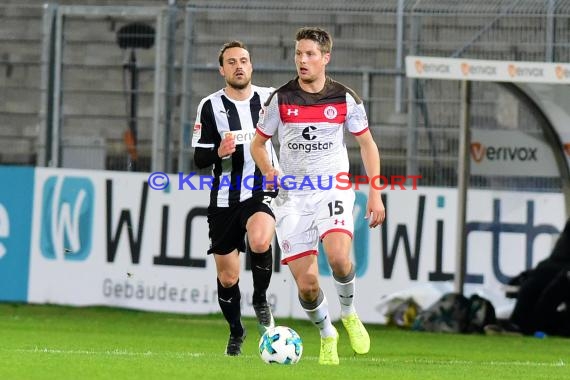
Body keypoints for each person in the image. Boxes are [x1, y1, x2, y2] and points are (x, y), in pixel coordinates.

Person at [250, 27, 385, 365]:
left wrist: (375, 194)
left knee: (339, 258)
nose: (302, 60)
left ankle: (349, 313)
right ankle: (328, 334)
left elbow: (367, 144)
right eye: (298, 54)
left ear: (326, 57)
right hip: (291, 197)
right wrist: (268, 169)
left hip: (332, 187)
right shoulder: (280, 99)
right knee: (308, 286)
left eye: (310, 54)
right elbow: (257, 143)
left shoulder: (345, 98)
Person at [192, 40, 279, 356]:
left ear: (251, 66)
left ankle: (259, 298)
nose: (239, 66)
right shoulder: (210, 106)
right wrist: (218, 152)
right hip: (224, 199)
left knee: (259, 241)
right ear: (222, 69)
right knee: (227, 278)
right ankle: (236, 331)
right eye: (231, 62)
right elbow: (199, 159)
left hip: (260, 191)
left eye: (243, 60)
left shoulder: (269, 99)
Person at [485, 217, 570, 337]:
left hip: (561, 269)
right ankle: (517, 325)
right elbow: (561, 251)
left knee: (553, 291)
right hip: (556, 265)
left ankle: (533, 326)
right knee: (531, 286)